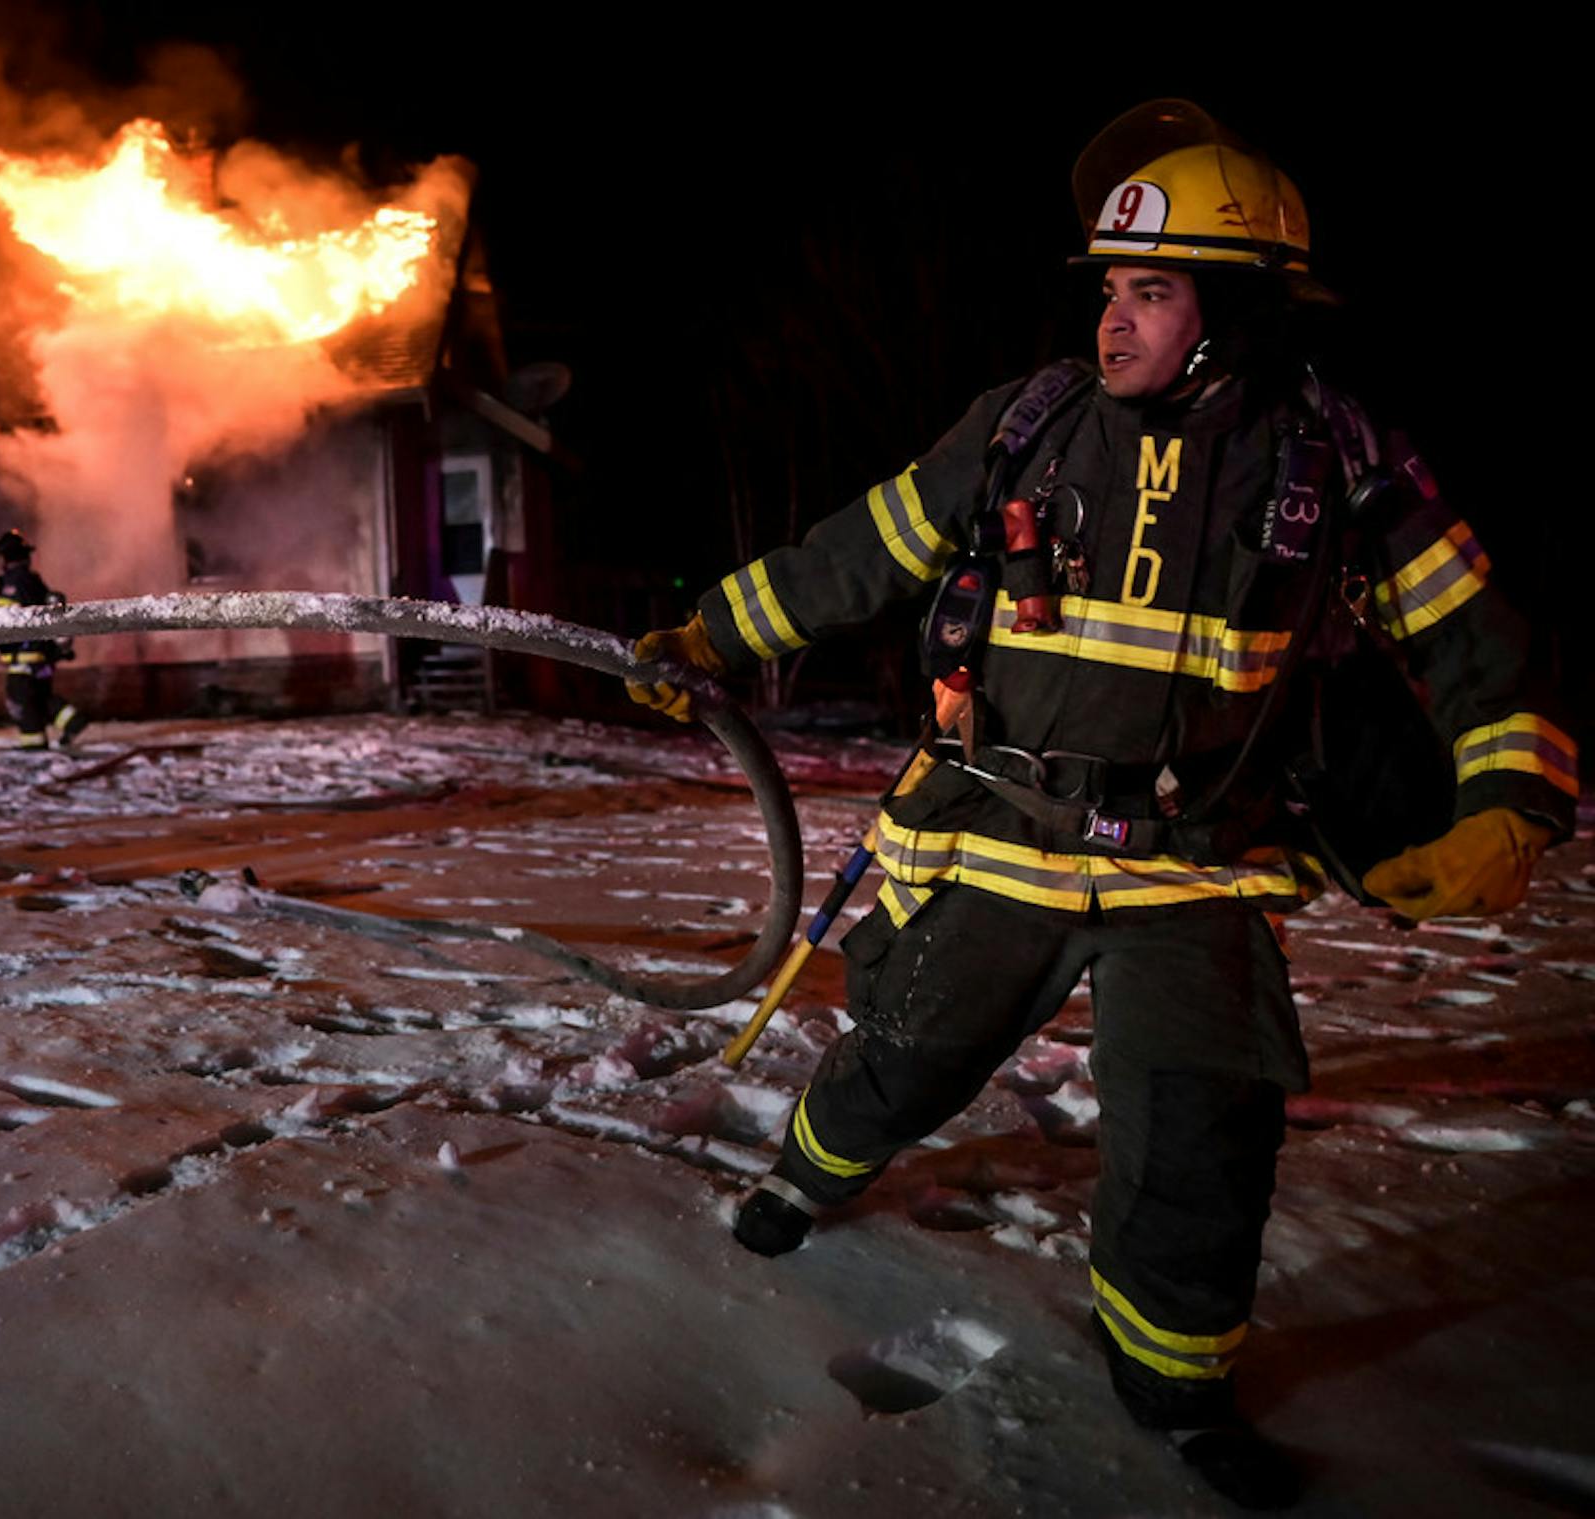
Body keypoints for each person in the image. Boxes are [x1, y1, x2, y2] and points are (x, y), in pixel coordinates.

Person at [629, 100, 1576, 1510]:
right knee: (907, 1049)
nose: (1112, 321)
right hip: (1004, 834)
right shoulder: (1031, 427)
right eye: (1110, 291)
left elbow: (1483, 649)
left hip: (1200, 867)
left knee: (1201, 1130)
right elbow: (857, 553)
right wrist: (709, 636)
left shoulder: (1336, 465)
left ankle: (1174, 1383)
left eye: (1150, 291)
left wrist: (1510, 804)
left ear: (1235, 311)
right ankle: (803, 1178)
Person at [0, 528, 87, 750]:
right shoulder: (33, 581)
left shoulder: (13, 583)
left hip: (24, 660)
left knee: (21, 702)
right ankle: (72, 721)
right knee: (39, 698)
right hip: (42, 658)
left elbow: (2, 620)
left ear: (5, 557)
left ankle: (34, 747)